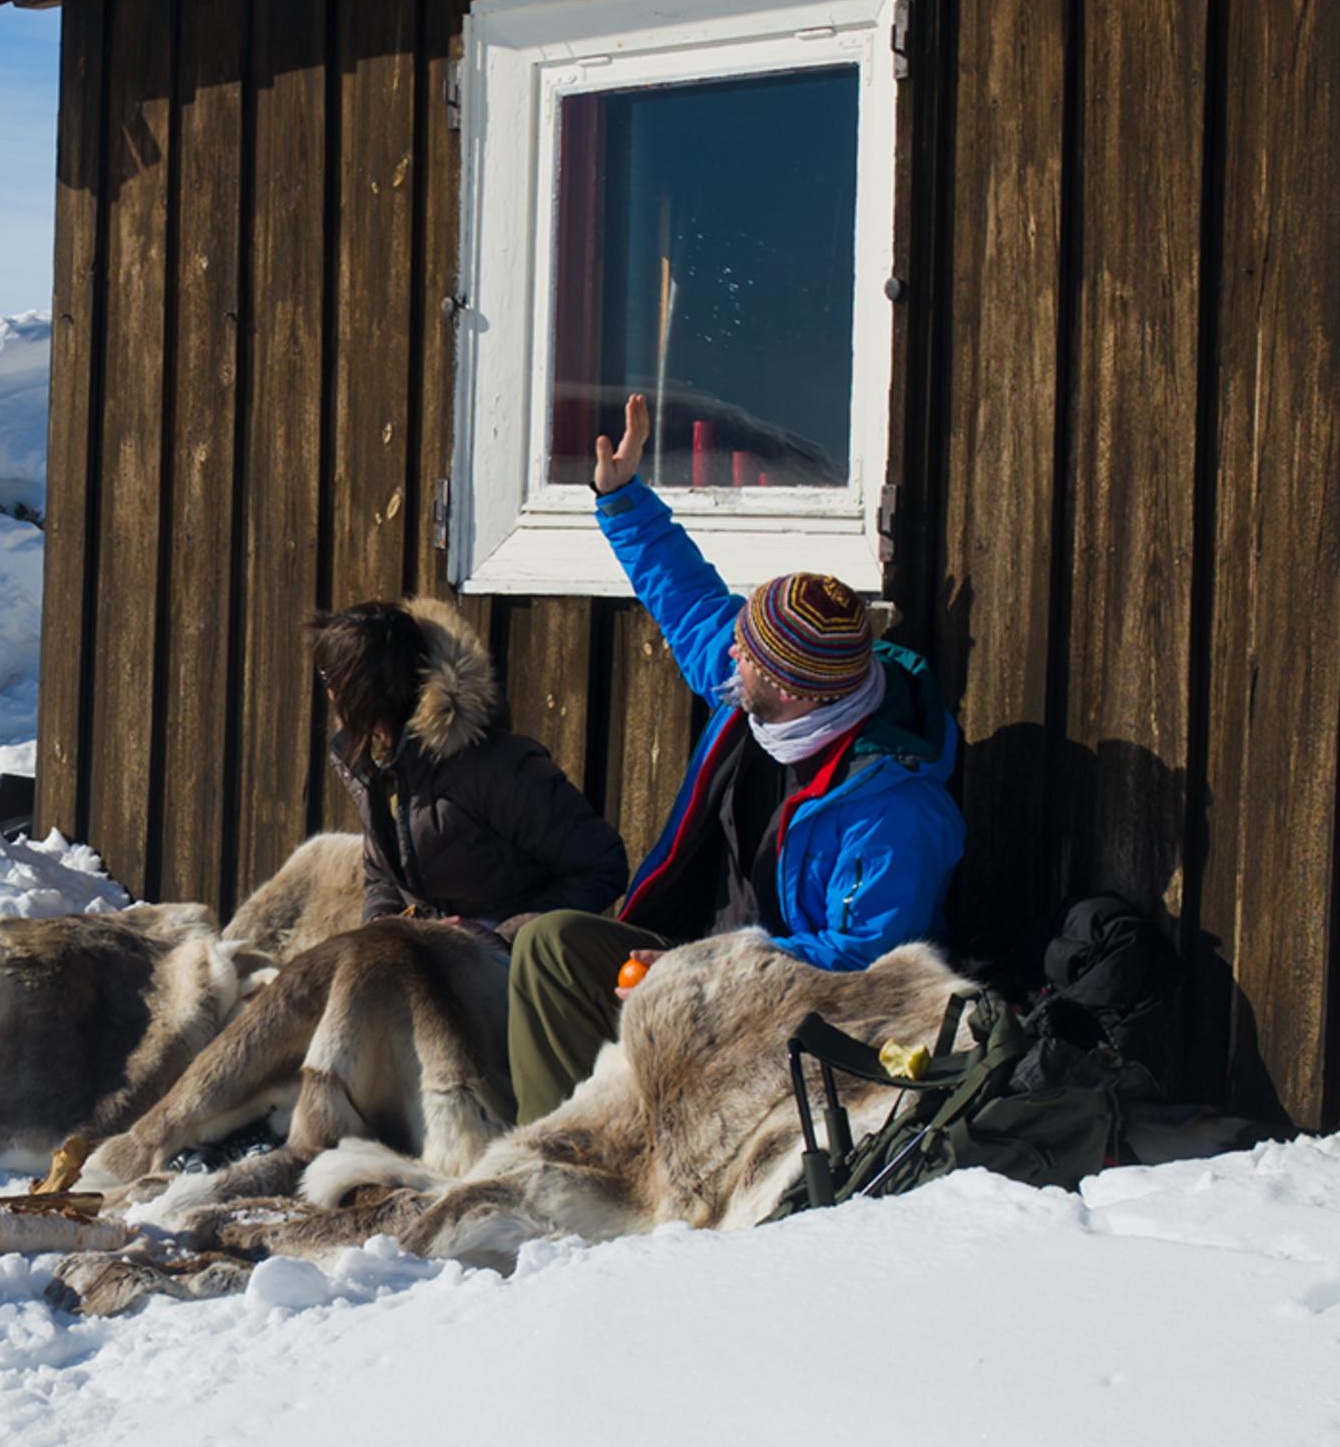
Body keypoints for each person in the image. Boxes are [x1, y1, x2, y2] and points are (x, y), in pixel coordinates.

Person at [502, 392, 966, 1122]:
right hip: (697, 961)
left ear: (795, 692)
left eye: (747, 657)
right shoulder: (760, 689)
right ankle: (557, 1139)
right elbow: (689, 602)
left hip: (794, 1011)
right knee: (552, 946)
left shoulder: (895, 810)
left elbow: (871, 962)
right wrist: (621, 498)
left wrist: (706, 973)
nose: (730, 661)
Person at [314, 598, 627, 932]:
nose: (327, 690)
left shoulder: (498, 768)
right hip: (437, 961)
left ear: (361, 687)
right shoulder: (377, 765)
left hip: (518, 968)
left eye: (328, 676)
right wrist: (381, 926)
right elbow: (381, 875)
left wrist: (498, 933)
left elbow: (602, 865)